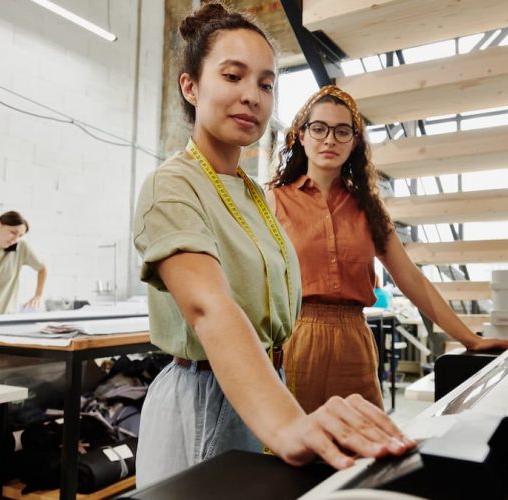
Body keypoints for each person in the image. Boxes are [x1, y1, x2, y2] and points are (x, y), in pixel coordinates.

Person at [132, 3, 412, 487]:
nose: (252, 97)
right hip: (206, 397)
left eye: (265, 84)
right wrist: (285, 423)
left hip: (267, 384)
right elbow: (210, 309)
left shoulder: (251, 193)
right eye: (233, 76)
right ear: (191, 86)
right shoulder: (172, 185)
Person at [267, 85, 508, 413]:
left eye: (342, 131)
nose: (330, 140)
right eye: (319, 128)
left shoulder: (368, 208)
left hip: (354, 344)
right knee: (293, 451)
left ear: (355, 141)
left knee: (362, 448)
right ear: (301, 135)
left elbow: (411, 279)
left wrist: (470, 339)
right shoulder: (273, 200)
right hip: (294, 340)